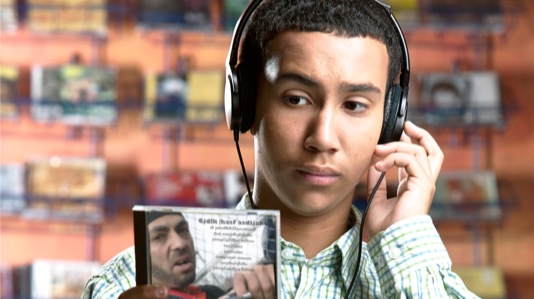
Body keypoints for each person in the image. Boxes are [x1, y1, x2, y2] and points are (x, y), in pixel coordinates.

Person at [83, 0, 478, 298]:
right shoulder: (124, 285)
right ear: (245, 105)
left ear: (389, 122)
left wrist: (404, 241)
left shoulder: (416, 277)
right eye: (296, 99)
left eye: (355, 105)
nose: (323, 138)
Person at [82, 211, 225, 299]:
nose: (180, 243)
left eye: (182, 230)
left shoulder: (214, 292)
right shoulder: (114, 285)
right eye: (159, 237)